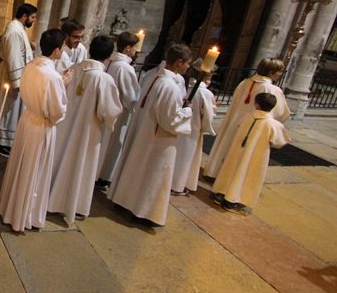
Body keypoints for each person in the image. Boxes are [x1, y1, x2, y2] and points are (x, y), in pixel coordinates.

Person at [108, 44, 193, 226]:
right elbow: (169, 121)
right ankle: (142, 211)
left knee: (135, 168)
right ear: (178, 62)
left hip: (143, 132)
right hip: (157, 140)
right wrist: (187, 111)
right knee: (150, 174)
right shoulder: (169, 87)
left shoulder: (154, 76)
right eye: (187, 63)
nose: (188, 67)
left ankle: (124, 200)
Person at [0, 29, 69, 232]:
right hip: (41, 127)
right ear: (56, 51)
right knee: (33, 171)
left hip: (27, 120)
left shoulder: (30, 66)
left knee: (21, 166)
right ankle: (24, 216)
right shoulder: (52, 76)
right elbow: (56, 111)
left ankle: (11, 207)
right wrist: (63, 85)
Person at [48, 35, 122, 224]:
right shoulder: (104, 79)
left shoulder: (73, 69)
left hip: (65, 126)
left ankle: (50, 197)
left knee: (60, 157)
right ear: (108, 57)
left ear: (89, 50)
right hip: (87, 132)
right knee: (81, 163)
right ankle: (73, 204)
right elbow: (110, 110)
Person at [203, 58, 289, 180]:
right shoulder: (273, 90)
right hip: (251, 129)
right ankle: (229, 180)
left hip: (233, 124)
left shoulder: (244, 82)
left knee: (226, 146)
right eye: (279, 71)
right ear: (271, 72)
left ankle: (214, 173)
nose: (280, 74)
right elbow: (281, 113)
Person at [211, 93, 289, 213]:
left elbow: (238, 126)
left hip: (237, 151)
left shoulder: (247, 116)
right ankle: (231, 202)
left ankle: (221, 194)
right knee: (245, 175)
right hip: (255, 155)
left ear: (257, 104)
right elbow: (280, 142)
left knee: (230, 170)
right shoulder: (273, 124)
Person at [0, 3, 37, 154]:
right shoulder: (14, 31)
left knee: (12, 109)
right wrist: (18, 82)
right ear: (24, 16)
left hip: (15, 72)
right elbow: (14, 57)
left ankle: (5, 138)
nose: (33, 21)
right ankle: (1, 139)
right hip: (11, 74)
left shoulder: (18, 28)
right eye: (32, 17)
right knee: (7, 107)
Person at [96, 31, 141, 188]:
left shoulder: (109, 61)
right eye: (135, 48)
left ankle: (98, 173)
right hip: (119, 113)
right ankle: (105, 176)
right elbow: (131, 97)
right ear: (128, 48)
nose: (136, 51)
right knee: (114, 145)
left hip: (104, 109)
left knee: (104, 144)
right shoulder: (124, 68)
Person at [172, 63, 217, 195]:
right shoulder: (205, 93)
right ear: (207, 77)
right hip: (192, 130)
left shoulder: (181, 85)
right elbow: (208, 115)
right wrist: (206, 125)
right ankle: (177, 185)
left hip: (177, 126)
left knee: (175, 155)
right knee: (185, 158)